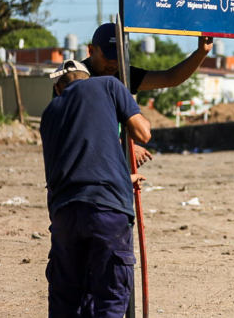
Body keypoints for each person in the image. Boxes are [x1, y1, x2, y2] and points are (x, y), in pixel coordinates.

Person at [40, 59, 152, 318]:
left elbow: (69, 162)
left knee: (66, 299)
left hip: (64, 213)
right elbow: (143, 134)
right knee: (110, 299)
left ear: (58, 88)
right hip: (107, 211)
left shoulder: (49, 113)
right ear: (87, 78)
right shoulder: (109, 86)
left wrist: (123, 177)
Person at [82, 22, 213, 166]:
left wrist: (201, 52)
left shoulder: (122, 75)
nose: (114, 63)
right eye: (108, 57)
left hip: (109, 162)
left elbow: (170, 78)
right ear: (91, 50)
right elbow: (79, 129)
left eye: (118, 56)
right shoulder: (76, 77)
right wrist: (123, 145)